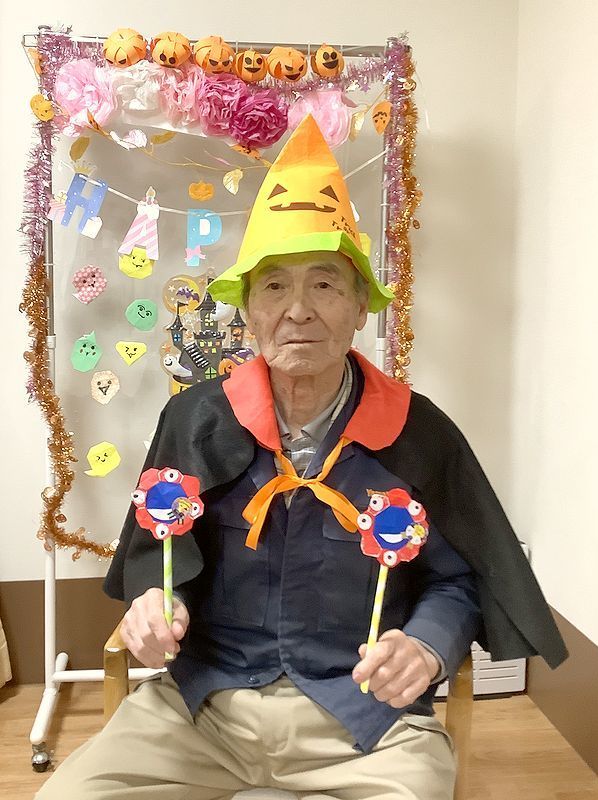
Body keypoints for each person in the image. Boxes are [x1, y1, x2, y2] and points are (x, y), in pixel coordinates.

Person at [37, 115, 566, 800]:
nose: (298, 311)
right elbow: (159, 553)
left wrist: (427, 645)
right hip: (202, 710)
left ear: (359, 308)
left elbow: (461, 576)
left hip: (365, 720)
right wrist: (152, 602)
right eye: (274, 287)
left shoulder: (420, 431)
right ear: (248, 312)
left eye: (324, 285)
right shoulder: (196, 420)